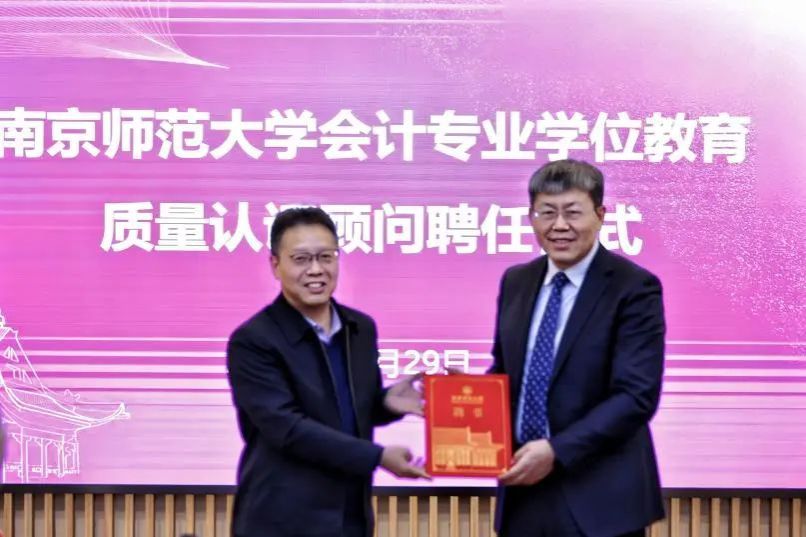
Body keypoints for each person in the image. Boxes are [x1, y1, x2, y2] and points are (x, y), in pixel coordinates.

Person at [227, 207, 428, 537]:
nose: (316, 269)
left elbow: (346, 411)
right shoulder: (253, 340)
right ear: (275, 265)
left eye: (326, 257)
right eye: (301, 259)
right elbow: (287, 428)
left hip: (349, 515)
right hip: (280, 520)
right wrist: (377, 456)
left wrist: (387, 404)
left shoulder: (359, 327)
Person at [490, 159, 665, 537]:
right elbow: (505, 371)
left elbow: (636, 396)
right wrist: (468, 396)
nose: (559, 226)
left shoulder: (633, 287)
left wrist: (556, 450)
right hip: (524, 489)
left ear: (600, 216)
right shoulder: (517, 281)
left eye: (572, 212)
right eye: (546, 212)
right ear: (531, 217)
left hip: (600, 497)